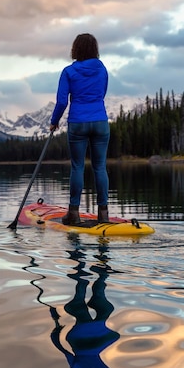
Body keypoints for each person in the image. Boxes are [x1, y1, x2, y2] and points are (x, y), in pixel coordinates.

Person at [50, 33, 110, 225]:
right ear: (95, 49)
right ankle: (103, 214)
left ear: (75, 49)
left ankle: (73, 213)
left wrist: (54, 121)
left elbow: (61, 101)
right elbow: (102, 93)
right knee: (100, 167)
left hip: (78, 122)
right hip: (100, 121)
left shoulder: (69, 71)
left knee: (77, 166)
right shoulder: (102, 70)